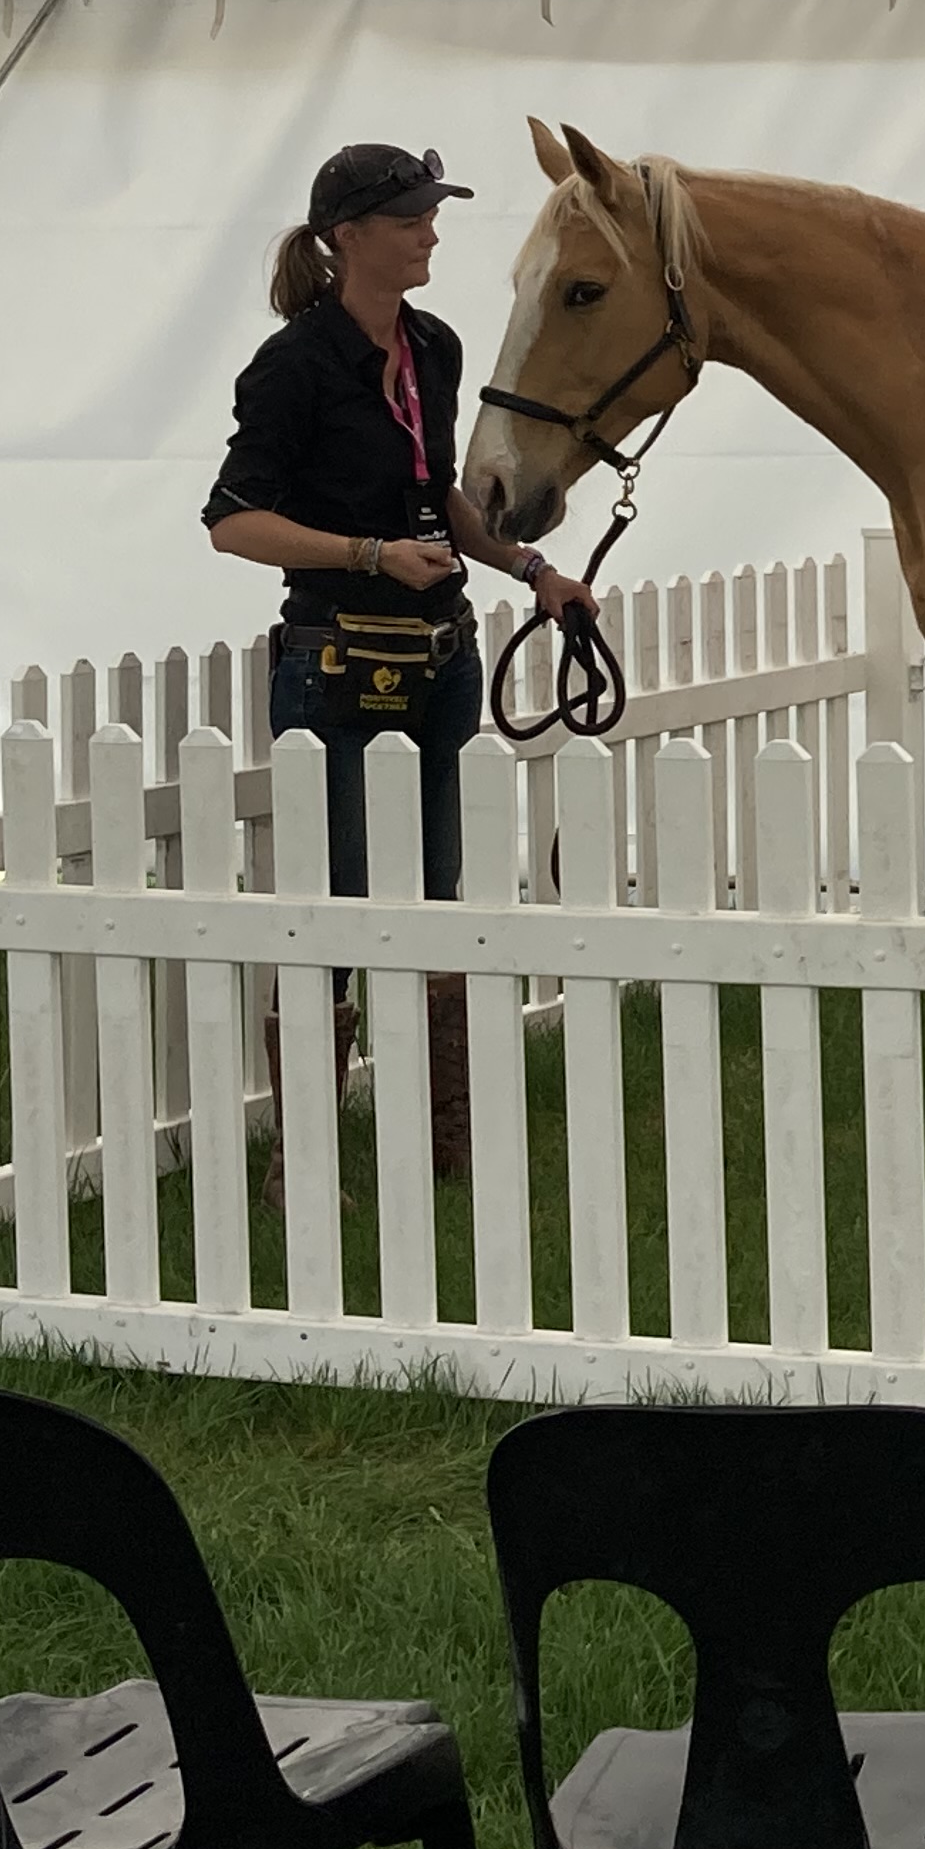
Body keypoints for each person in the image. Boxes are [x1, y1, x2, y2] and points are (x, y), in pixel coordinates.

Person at [205, 144, 591, 1173]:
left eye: (431, 215)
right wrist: (366, 554)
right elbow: (235, 524)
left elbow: (439, 501)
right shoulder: (292, 368)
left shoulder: (434, 347)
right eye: (410, 217)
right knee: (331, 898)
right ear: (347, 237)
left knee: (439, 891)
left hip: (441, 654)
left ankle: (442, 1144)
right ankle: (310, 1159)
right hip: (335, 657)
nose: (430, 232)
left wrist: (527, 566)